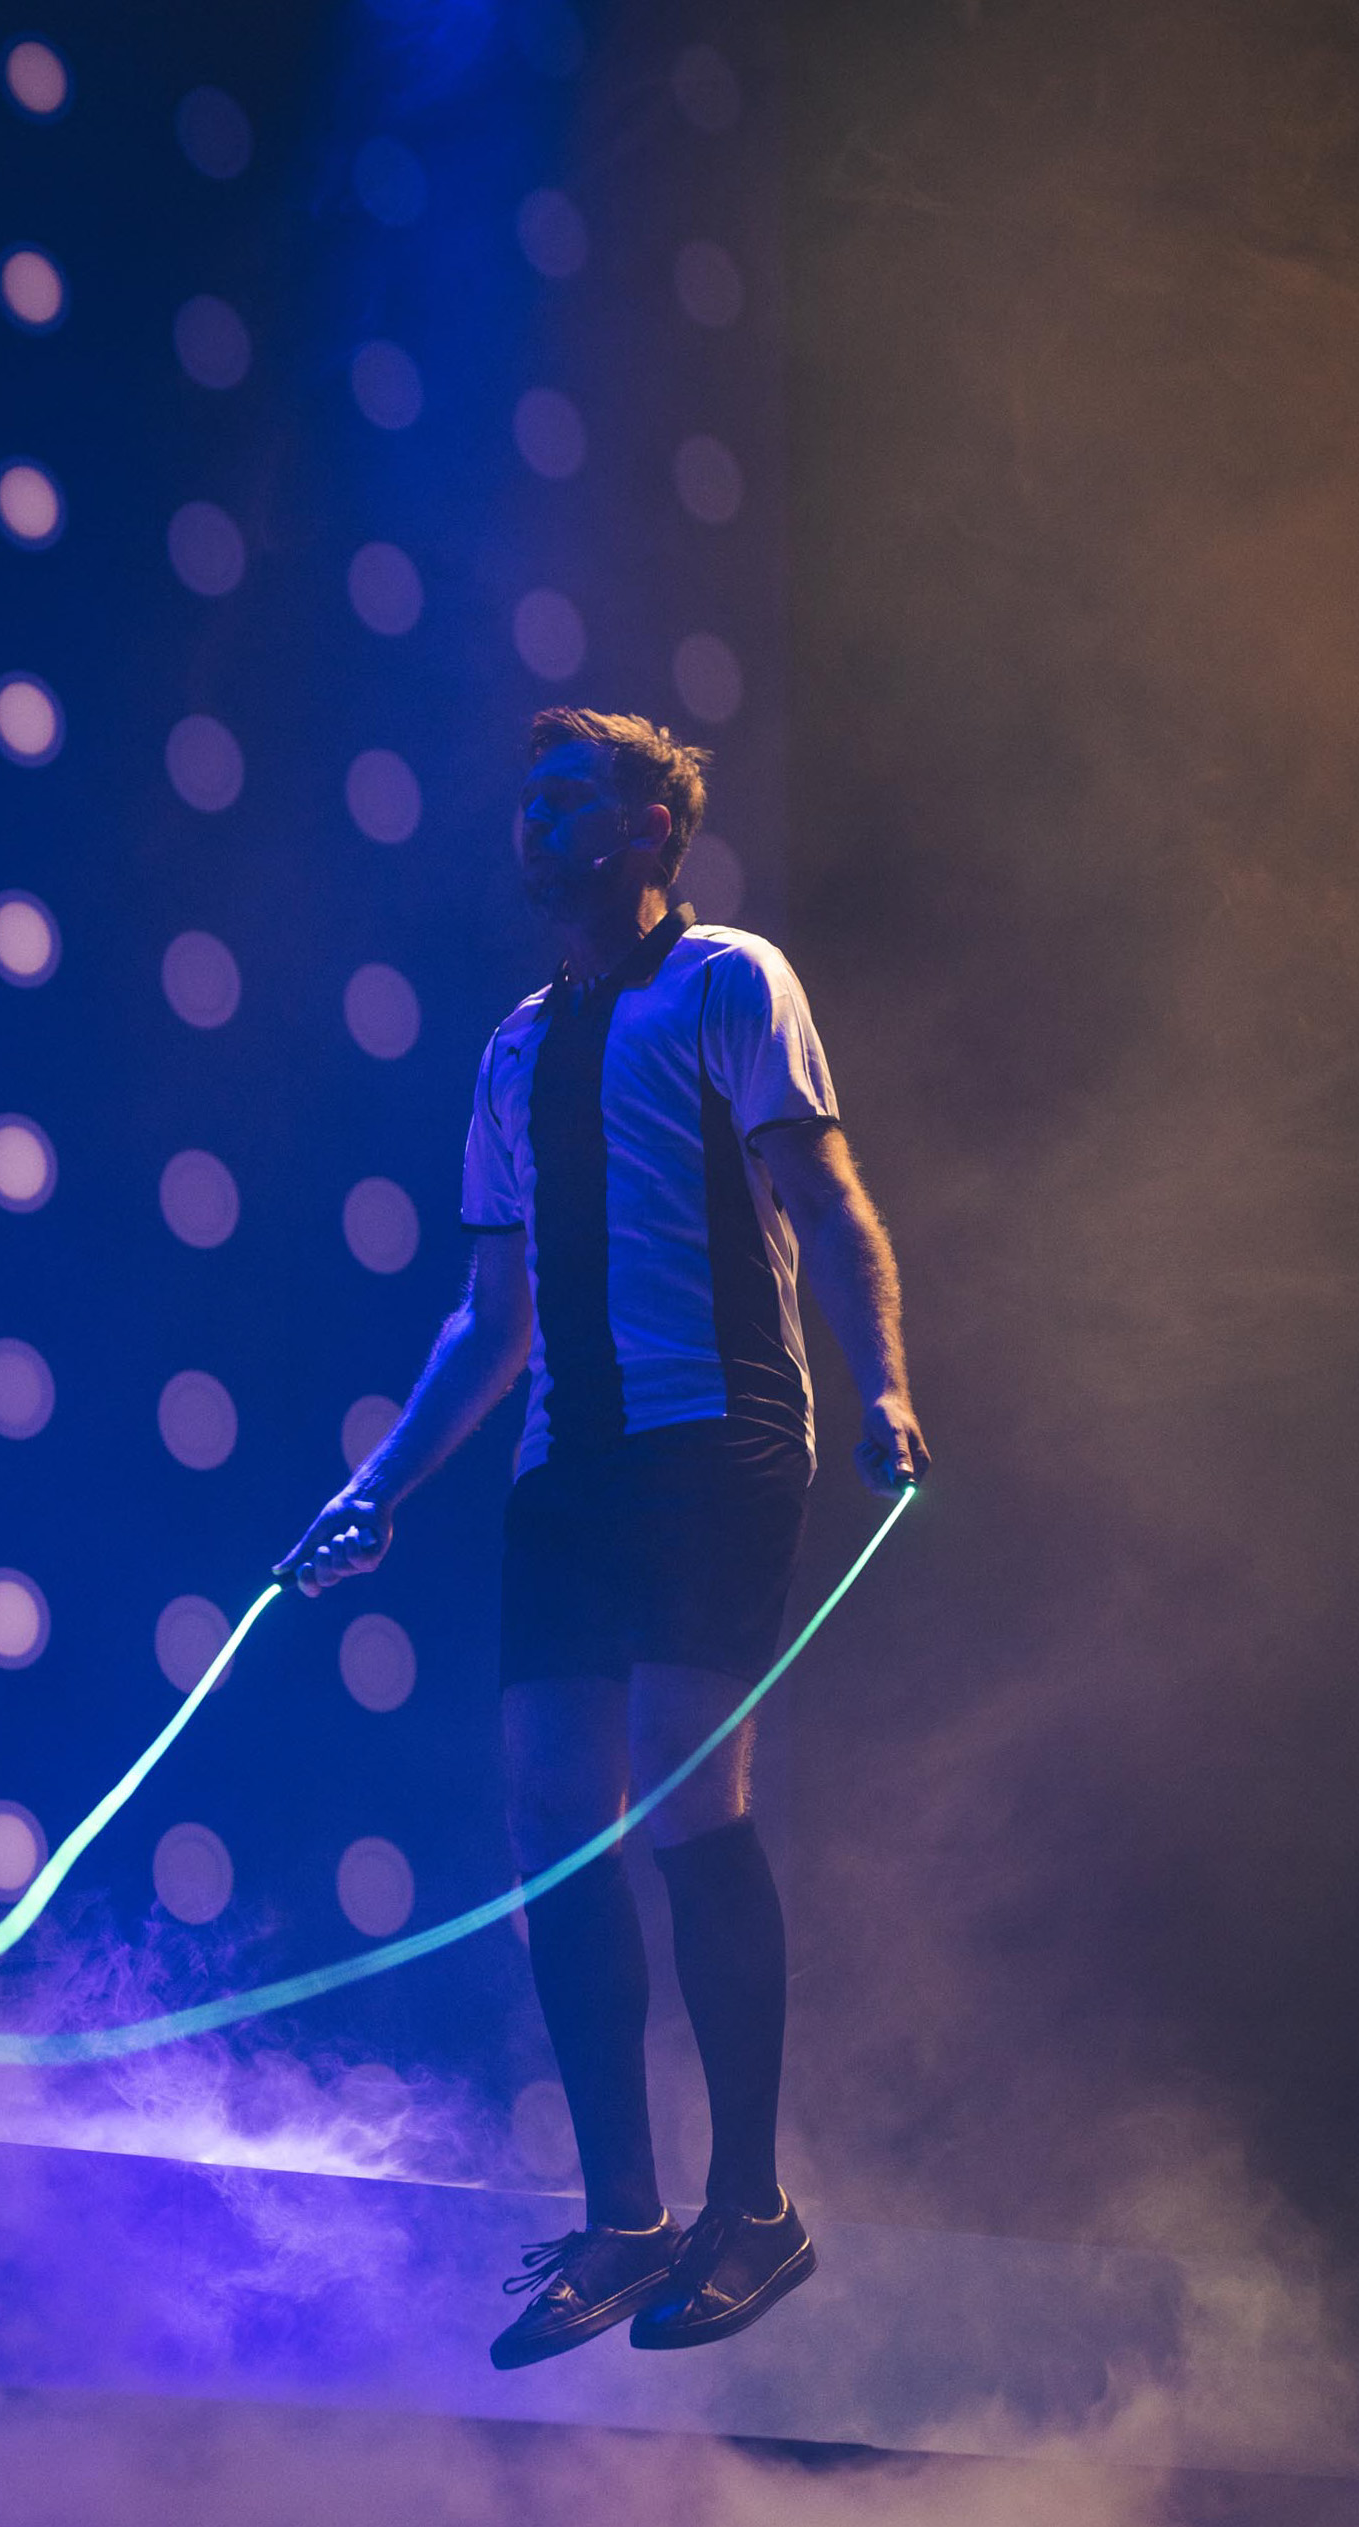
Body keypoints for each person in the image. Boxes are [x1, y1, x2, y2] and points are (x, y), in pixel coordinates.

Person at [277, 708, 928, 2369]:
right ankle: (625, 2221)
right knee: (549, 1814)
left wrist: (884, 1387)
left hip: (719, 1433)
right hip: (567, 1464)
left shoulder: (727, 981)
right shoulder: (512, 1047)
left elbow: (824, 1196)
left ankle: (751, 2211)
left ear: (651, 828)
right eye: (529, 797)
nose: (534, 818)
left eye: (570, 795)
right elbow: (490, 1315)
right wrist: (376, 1490)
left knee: (684, 1795)